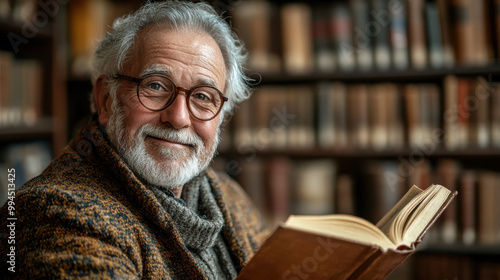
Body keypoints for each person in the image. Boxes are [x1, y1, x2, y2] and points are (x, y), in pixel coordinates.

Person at [0, 1, 269, 279]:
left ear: (221, 116)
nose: (177, 118)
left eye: (203, 96)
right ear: (106, 99)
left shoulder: (228, 195)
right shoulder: (55, 213)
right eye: (155, 86)